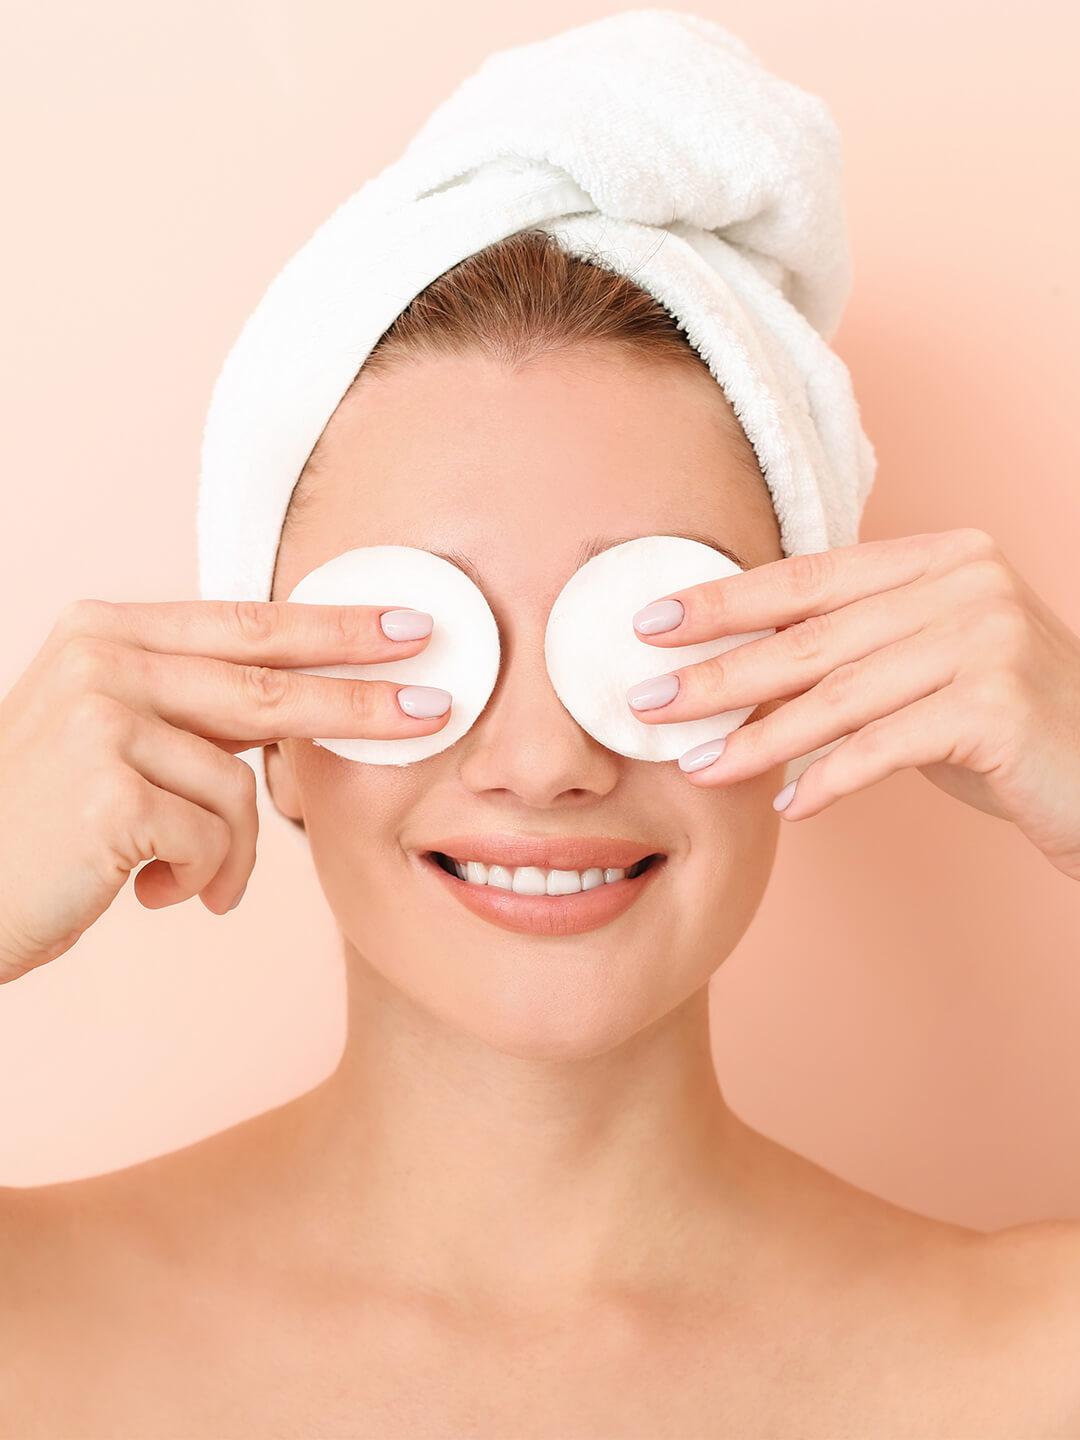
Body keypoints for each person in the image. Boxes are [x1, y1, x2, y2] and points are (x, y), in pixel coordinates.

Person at [2, 227, 1079, 1438]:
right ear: (273, 734)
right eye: (415, 638)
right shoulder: (25, 1328)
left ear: (807, 689)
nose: (546, 764)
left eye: (657, 632)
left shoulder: (1037, 1366)